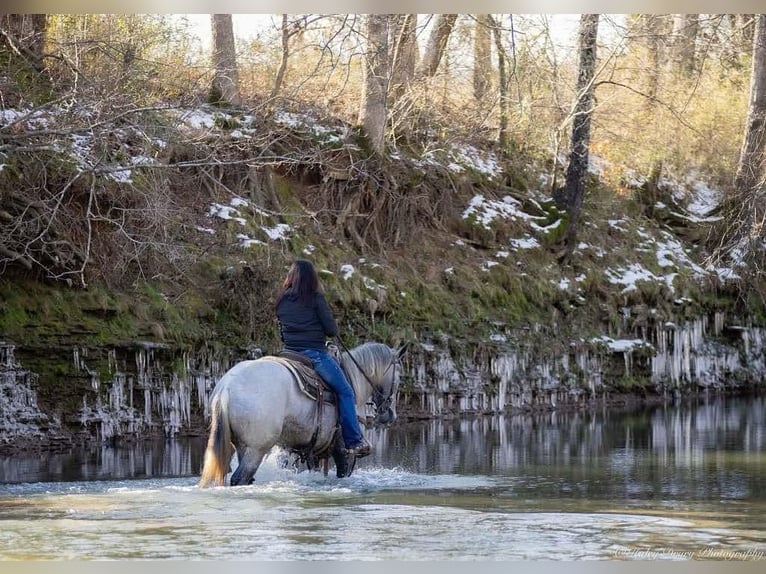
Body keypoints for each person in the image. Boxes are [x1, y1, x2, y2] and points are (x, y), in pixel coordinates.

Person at [275, 259, 371, 457]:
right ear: (311, 278)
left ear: (291, 277)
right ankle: (354, 441)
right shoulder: (315, 298)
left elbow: (283, 330)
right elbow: (330, 330)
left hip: (288, 353)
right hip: (314, 355)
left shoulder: (282, 299)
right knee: (346, 392)